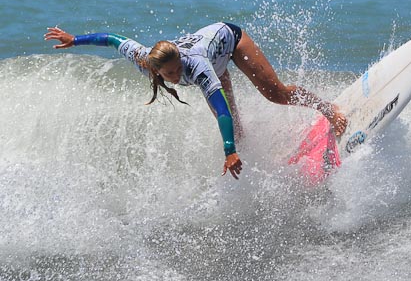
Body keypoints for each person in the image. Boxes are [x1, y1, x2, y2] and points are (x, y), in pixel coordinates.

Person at [44, 22, 347, 180]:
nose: (176, 76)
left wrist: (228, 151)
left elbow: (220, 109)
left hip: (230, 41)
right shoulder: (144, 59)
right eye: (170, 73)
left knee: (274, 93)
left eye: (178, 69)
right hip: (216, 62)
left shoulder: (197, 67)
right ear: (156, 69)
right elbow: (112, 39)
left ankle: (327, 109)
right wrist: (75, 40)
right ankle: (265, 161)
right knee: (236, 132)